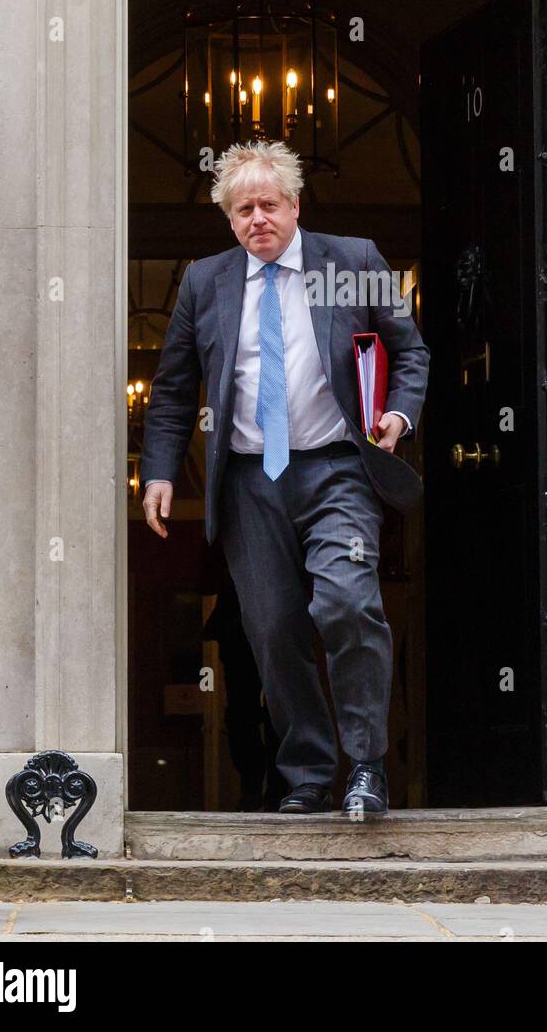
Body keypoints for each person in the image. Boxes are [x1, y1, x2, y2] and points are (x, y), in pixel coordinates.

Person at [141, 140, 430, 816]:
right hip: (249, 481)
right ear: (229, 219)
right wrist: (158, 471)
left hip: (336, 470)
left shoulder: (352, 261)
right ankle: (306, 773)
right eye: (243, 210)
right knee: (271, 631)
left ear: (296, 205)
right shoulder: (204, 282)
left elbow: (410, 350)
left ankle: (365, 767)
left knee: (347, 603)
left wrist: (400, 417)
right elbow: (174, 389)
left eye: (269, 205)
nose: (257, 219)